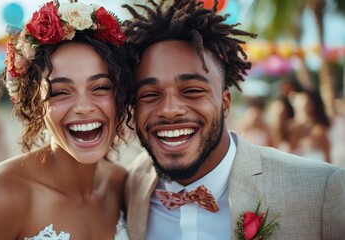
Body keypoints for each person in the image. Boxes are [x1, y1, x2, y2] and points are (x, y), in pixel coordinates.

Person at [122, 0, 345, 239]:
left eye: (192, 91)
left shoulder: (322, 190)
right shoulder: (131, 184)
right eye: (149, 94)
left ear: (225, 103)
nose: (169, 110)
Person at [0, 1, 130, 239]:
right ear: (35, 104)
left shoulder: (122, 185)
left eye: (101, 87)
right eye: (60, 92)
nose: (84, 107)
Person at [288, 89, 332, 163]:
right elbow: (291, 153)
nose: (304, 106)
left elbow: (327, 157)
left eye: (307, 103)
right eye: (301, 104)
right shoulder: (293, 129)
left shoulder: (319, 130)